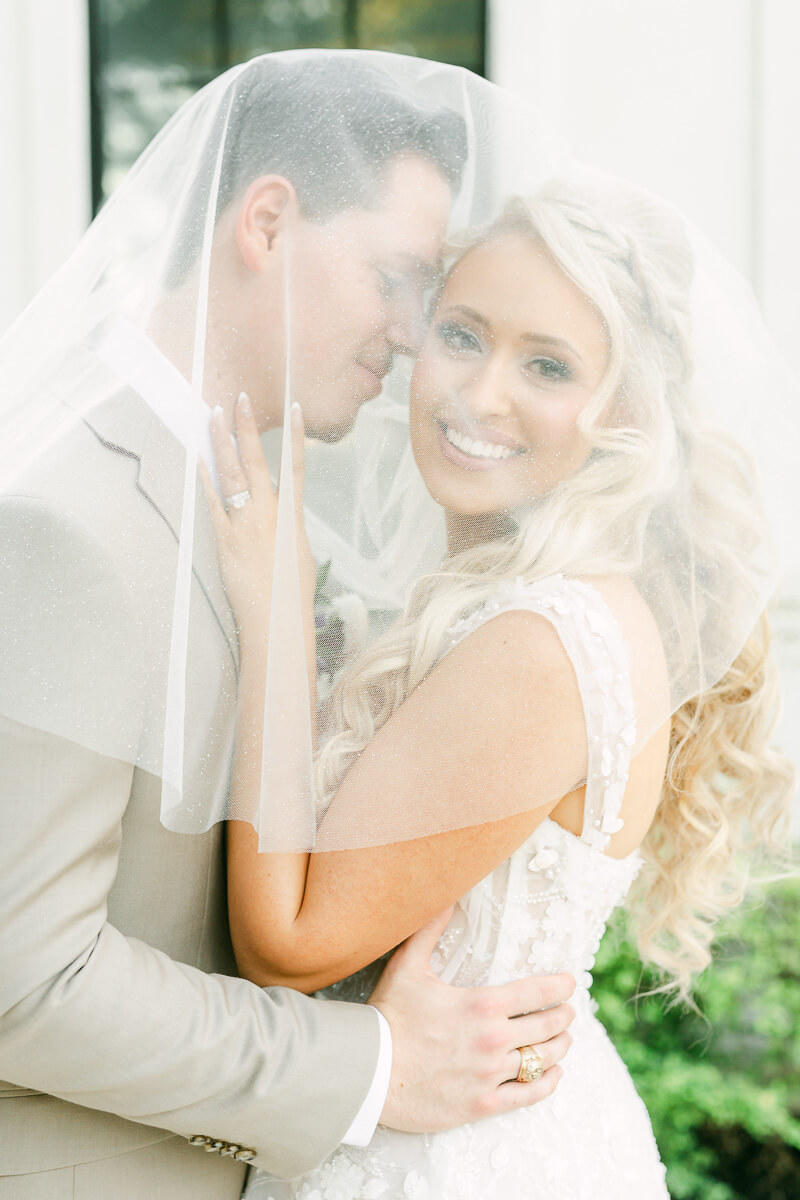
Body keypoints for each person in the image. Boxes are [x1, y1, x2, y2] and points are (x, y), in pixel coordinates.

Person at [0, 54, 578, 1200]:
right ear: (265, 220)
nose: (416, 336)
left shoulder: (239, 494)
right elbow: (25, 973)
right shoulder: (67, 525)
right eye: (396, 278)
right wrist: (371, 1065)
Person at [205, 175, 795, 1198]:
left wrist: (272, 618)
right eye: (463, 335)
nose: (479, 395)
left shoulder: (539, 639)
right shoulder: (512, 599)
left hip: (453, 1156)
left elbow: (290, 947)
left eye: (547, 365)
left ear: (620, 415)